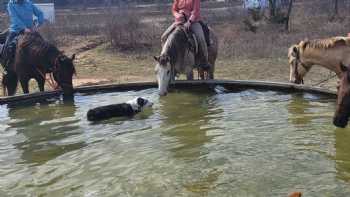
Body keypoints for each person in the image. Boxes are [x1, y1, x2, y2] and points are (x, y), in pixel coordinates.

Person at [161, 0, 210, 70]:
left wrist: (189, 22)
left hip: (193, 22)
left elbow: (196, 11)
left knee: (200, 38)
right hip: (179, 22)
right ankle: (164, 58)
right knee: (163, 37)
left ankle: (204, 61)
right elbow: (174, 10)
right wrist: (178, 15)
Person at [1, 0, 44, 67]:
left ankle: (45, 66)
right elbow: (15, 18)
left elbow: (40, 13)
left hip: (30, 31)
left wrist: (38, 24)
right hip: (16, 30)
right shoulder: (11, 4)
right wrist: (24, 28)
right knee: (7, 47)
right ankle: (7, 66)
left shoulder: (29, 3)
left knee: (43, 45)